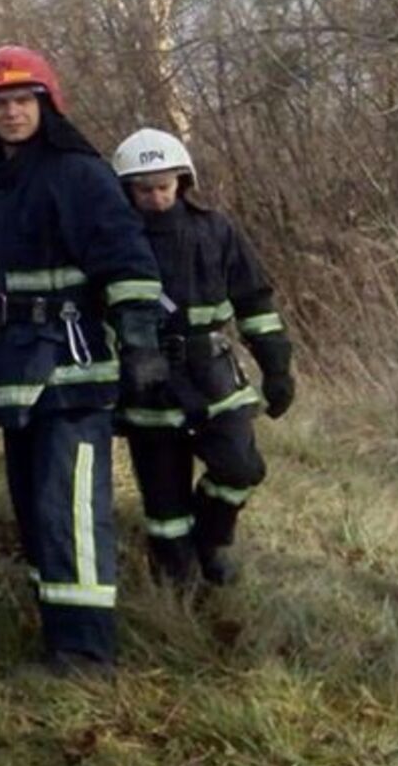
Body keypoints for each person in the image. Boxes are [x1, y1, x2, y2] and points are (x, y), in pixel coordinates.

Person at [0, 45, 169, 675]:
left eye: (22, 101)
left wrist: (141, 343)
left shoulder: (80, 175)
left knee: (70, 512)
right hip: (16, 373)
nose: (11, 113)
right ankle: (55, 630)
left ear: (46, 104)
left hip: (74, 372)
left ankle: (87, 654)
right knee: (35, 509)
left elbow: (129, 265)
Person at [109, 128, 295, 586]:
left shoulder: (216, 230)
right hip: (146, 382)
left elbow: (254, 301)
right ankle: (177, 590)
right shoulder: (113, 240)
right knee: (165, 506)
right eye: (144, 189)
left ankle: (212, 538)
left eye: (164, 186)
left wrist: (276, 368)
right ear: (126, 189)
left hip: (214, 376)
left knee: (241, 467)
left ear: (183, 180)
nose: (155, 197)